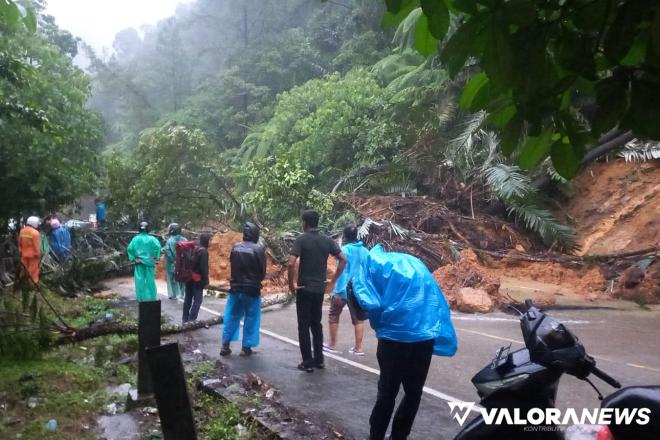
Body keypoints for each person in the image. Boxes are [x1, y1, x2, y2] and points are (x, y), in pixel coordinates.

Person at [352, 245, 457, 440]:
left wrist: (380, 321)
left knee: (387, 393)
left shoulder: (372, 265)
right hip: (423, 337)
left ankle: (376, 436)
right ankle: (399, 436)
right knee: (413, 392)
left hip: (394, 340)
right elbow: (436, 301)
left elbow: (370, 303)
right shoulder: (415, 264)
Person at [288, 210, 346, 373]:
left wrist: (291, 285)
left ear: (305, 223)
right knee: (316, 324)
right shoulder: (327, 240)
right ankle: (319, 360)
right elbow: (343, 259)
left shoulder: (301, 239)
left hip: (305, 288)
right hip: (319, 288)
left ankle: (307, 362)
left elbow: (291, 263)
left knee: (303, 325)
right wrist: (333, 280)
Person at [221, 222, 267, 357]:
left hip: (235, 288)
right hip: (252, 290)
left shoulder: (235, 247)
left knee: (231, 316)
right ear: (255, 234)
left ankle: (225, 346)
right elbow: (262, 273)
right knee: (251, 318)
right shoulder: (259, 249)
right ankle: (246, 348)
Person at [324, 225, 370, 355]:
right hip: (359, 289)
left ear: (344, 236)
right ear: (357, 235)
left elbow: (341, 270)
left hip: (343, 287)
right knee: (359, 319)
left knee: (333, 316)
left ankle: (332, 345)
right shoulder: (365, 251)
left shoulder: (344, 250)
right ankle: (358, 348)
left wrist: (335, 286)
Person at [127, 222, 161, 302]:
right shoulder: (152, 239)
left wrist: (134, 258)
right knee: (150, 279)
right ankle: (151, 297)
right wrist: (155, 257)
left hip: (139, 262)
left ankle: (141, 298)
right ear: (148, 229)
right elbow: (158, 247)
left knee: (139, 280)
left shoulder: (135, 239)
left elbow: (129, 249)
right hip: (150, 262)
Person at [182, 231, 210, 323]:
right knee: (198, 300)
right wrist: (206, 282)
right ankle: (191, 320)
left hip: (188, 277)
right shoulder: (204, 251)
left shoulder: (194, 248)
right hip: (197, 279)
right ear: (207, 241)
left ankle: (185, 319)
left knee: (188, 298)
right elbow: (203, 268)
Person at [164, 223, 186, 300]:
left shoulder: (169, 240)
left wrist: (173, 260)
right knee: (183, 279)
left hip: (172, 264)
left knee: (172, 279)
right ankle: (183, 294)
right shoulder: (184, 239)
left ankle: (173, 294)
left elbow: (167, 250)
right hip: (183, 264)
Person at [18, 216, 41, 284]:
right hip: (33, 256)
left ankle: (21, 282)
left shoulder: (22, 231)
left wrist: (20, 251)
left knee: (23, 269)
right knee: (33, 271)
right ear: (34, 223)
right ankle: (32, 284)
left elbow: (19, 243)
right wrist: (38, 255)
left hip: (23, 254)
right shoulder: (35, 233)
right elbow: (36, 246)